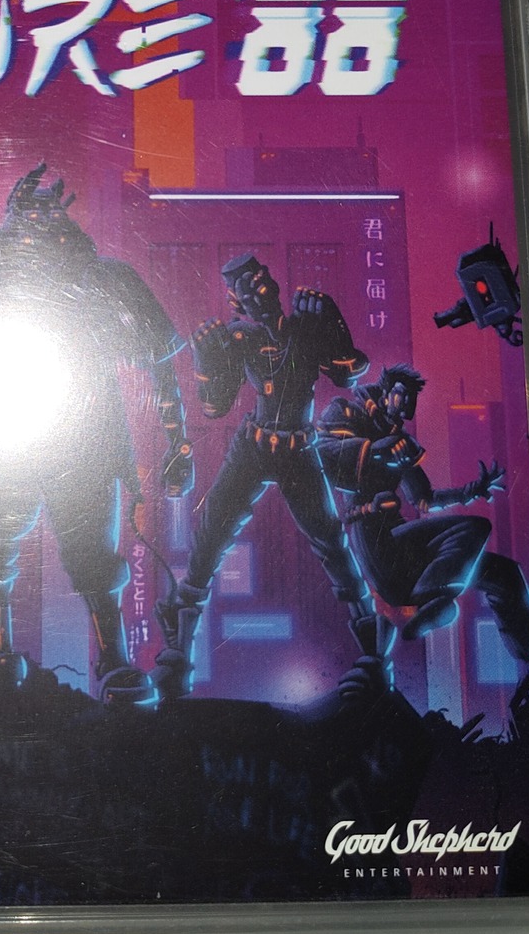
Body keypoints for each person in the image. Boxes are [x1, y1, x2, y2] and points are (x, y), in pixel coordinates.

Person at [0, 163, 192, 705]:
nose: (37, 226)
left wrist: (178, 444)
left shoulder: (104, 278)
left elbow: (160, 354)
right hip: (10, 432)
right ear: (13, 223)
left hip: (83, 437)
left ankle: (113, 658)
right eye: (27, 214)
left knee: (93, 554)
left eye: (46, 214)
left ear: (62, 220)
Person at [155, 252, 393, 700]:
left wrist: (334, 324)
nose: (259, 293)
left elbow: (349, 373)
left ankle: (374, 651)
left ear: (273, 282)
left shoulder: (305, 327)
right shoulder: (239, 336)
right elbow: (215, 406)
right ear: (236, 300)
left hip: (298, 448)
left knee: (330, 541)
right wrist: (206, 360)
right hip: (254, 444)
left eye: (261, 282)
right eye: (247, 290)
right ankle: (177, 651)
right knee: (210, 534)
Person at [314, 364, 529, 693]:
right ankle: (433, 600)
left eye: (411, 401)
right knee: (475, 527)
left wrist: (472, 491)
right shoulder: (347, 413)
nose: (407, 407)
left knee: (504, 573)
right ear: (386, 391)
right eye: (402, 396)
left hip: (408, 550)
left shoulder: (399, 439)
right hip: (377, 545)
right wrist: (374, 450)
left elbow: (424, 498)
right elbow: (322, 457)